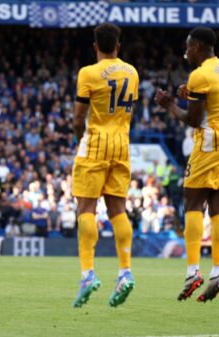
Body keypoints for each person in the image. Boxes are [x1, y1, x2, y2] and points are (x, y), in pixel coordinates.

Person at [154, 27, 219, 302]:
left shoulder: (199, 74)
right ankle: (218, 270)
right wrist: (189, 94)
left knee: (192, 204)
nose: (186, 51)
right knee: (218, 205)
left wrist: (170, 105)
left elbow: (193, 119)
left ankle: (193, 270)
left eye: (188, 46)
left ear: (197, 47)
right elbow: (212, 100)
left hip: (210, 141)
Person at [71, 23, 138, 308]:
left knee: (86, 209)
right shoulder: (132, 72)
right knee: (117, 210)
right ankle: (125, 272)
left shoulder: (88, 73)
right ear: (118, 46)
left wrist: (80, 140)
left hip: (96, 142)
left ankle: (88, 274)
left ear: (95, 45)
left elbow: (77, 119)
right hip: (122, 143)